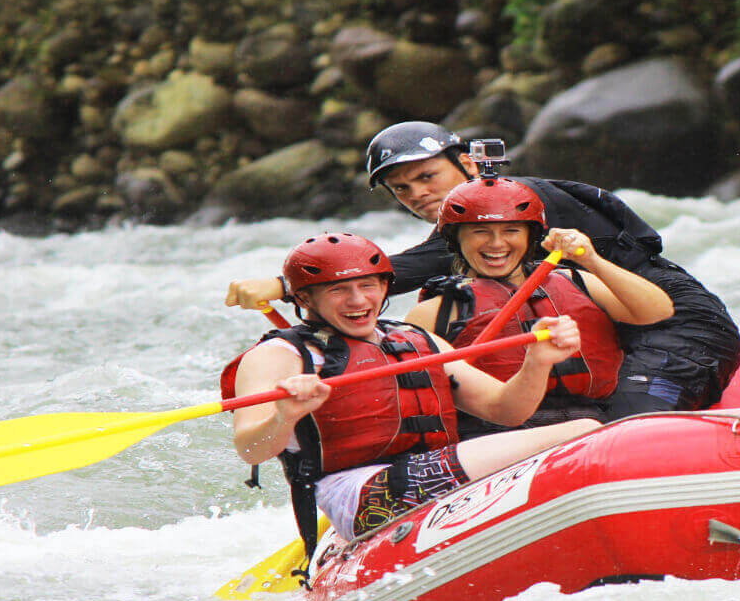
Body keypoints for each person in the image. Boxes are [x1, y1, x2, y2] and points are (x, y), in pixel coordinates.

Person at [226, 121, 740, 418]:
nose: (417, 194)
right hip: (611, 327)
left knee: (623, 424)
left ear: (469, 165)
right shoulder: (462, 236)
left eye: (428, 176)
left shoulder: (514, 199)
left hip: (679, 327)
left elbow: (415, 265)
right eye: (401, 189)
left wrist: (287, 284)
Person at [224, 233, 601, 574]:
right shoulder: (278, 354)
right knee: (586, 432)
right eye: (339, 291)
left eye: (368, 286)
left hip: (429, 473)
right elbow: (251, 449)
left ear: (384, 286)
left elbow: (506, 410)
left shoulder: (415, 340)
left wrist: (537, 361)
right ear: (304, 299)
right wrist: (284, 415)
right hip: (359, 496)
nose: (358, 301)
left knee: (584, 435)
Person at [402, 173, 673, 431]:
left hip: (594, 420)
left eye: (511, 230)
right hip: (496, 434)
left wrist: (591, 259)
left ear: (530, 236)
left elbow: (657, 311)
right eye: (480, 231)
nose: (497, 243)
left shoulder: (575, 280)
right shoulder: (433, 313)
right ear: (455, 239)